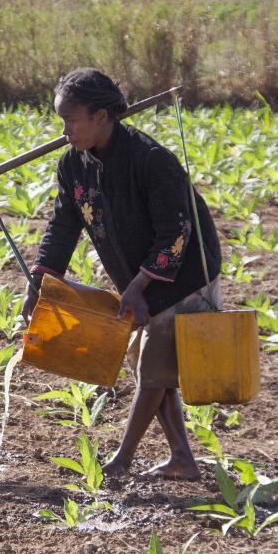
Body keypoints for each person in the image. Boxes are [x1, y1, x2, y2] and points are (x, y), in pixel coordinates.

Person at [22, 68, 222, 480]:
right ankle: (182, 458)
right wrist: (39, 281)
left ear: (101, 116)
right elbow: (63, 226)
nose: (65, 131)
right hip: (136, 276)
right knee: (150, 367)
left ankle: (121, 461)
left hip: (181, 273)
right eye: (61, 121)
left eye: (71, 121)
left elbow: (177, 232)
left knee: (153, 367)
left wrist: (138, 287)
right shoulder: (73, 165)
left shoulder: (150, 161)